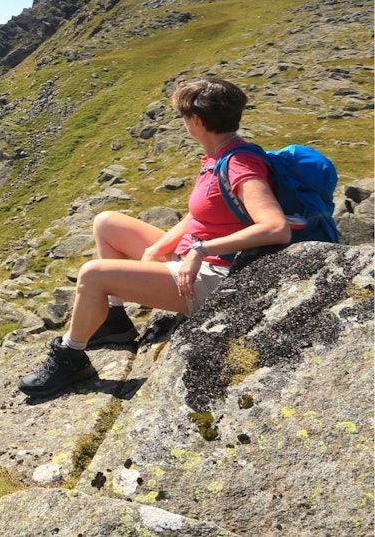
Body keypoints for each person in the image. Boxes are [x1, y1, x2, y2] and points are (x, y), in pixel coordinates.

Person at [18, 77, 291, 397]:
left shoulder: (240, 164)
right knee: (106, 223)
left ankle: (71, 357)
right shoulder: (220, 155)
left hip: (215, 277)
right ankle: (114, 322)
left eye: (184, 118)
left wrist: (201, 249)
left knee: (92, 275)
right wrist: (162, 247)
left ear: (197, 121)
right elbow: (203, 213)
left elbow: (276, 227)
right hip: (196, 259)